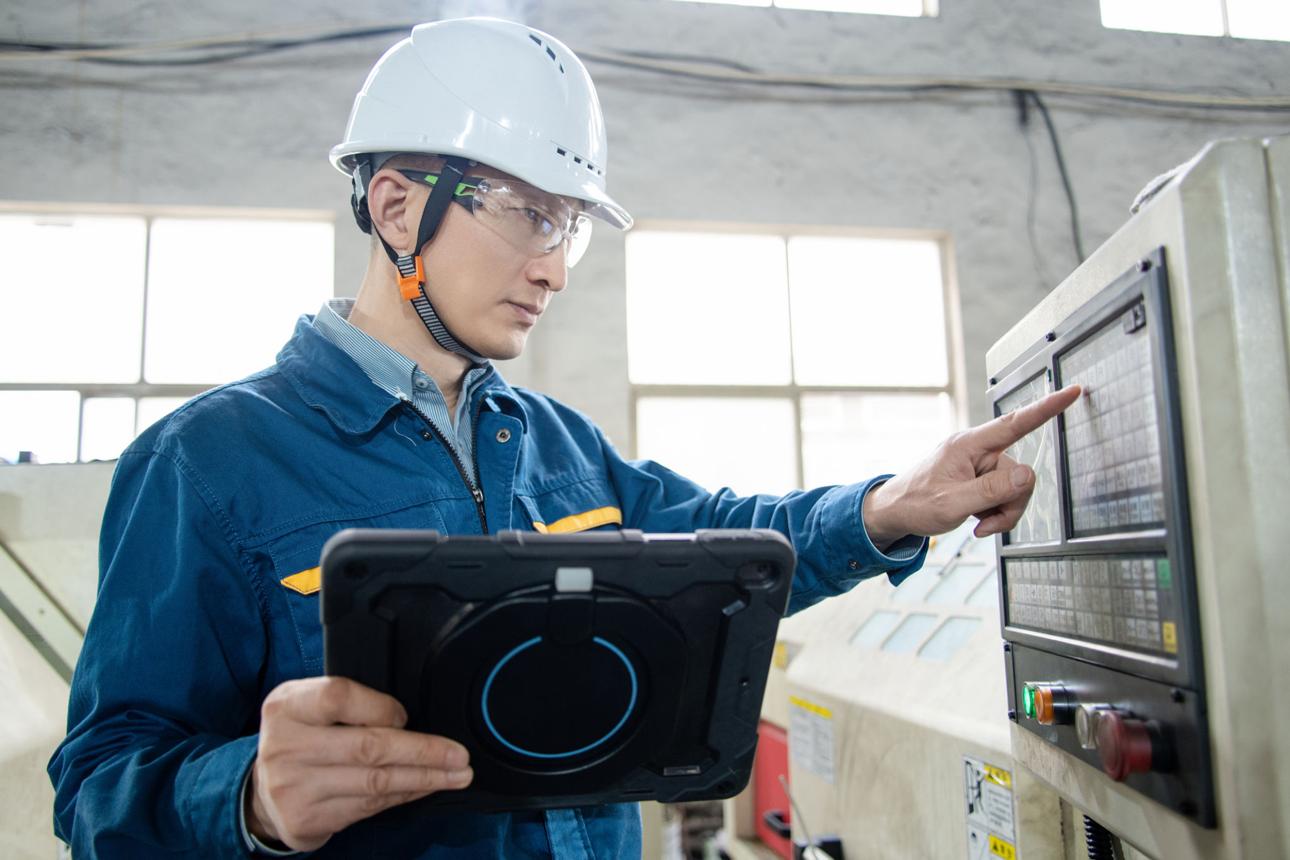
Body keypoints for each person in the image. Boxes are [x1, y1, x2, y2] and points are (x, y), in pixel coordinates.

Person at [48, 17, 1079, 859]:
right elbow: (99, 782)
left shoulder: (552, 442)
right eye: (532, 215)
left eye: (570, 225)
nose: (557, 267)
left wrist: (884, 509)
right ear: (399, 208)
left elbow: (723, 546)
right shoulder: (209, 464)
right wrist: (247, 798)